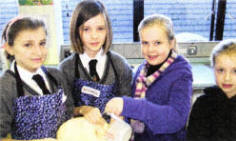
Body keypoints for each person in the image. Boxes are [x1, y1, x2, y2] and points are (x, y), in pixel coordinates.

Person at [105, 14, 193, 141]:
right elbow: (134, 109)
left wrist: (128, 106)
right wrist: (119, 122)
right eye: (145, 43)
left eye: (157, 43)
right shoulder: (142, 70)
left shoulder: (181, 73)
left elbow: (176, 119)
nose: (150, 49)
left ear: (171, 43)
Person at [58, 0, 132, 124]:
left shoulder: (120, 65)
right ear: (76, 31)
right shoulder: (65, 69)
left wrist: (120, 119)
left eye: (100, 29)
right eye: (86, 29)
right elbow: (65, 111)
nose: (94, 36)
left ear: (107, 30)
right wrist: (82, 109)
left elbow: (128, 105)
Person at [0, 16, 73, 141]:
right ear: (9, 48)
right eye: (28, 45)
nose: (38, 52)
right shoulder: (5, 86)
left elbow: (70, 112)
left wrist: (85, 110)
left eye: (42, 43)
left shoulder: (57, 76)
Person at [187, 39, 236, 141]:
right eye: (221, 70)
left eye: (234, 71)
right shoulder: (203, 103)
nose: (227, 78)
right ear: (213, 69)